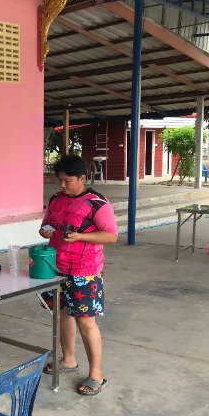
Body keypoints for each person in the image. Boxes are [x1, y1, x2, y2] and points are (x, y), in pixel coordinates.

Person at [38, 154, 117, 396]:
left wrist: (81, 236)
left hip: (85, 271)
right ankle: (69, 360)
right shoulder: (56, 199)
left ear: (82, 178)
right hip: (56, 266)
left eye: (67, 181)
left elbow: (111, 235)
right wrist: (45, 231)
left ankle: (96, 375)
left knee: (85, 321)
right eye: (59, 180)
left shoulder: (97, 203)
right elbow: (48, 225)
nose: (62, 185)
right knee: (62, 314)